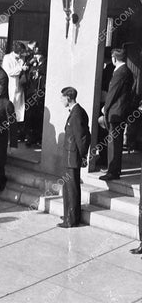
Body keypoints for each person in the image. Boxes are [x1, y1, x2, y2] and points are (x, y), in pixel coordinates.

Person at [99, 48, 134, 181]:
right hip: (121, 110)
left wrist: (105, 108)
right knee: (116, 141)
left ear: (114, 58)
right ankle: (114, 170)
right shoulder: (127, 71)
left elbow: (112, 92)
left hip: (116, 111)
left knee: (113, 142)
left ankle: (112, 171)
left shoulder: (120, 72)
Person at [58, 87, 90, 228]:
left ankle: (70, 219)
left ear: (68, 98)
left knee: (71, 189)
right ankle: (69, 214)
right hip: (70, 156)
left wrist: (82, 156)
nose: (61, 100)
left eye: (62, 97)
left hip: (73, 157)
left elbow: (82, 138)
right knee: (69, 188)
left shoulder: (77, 114)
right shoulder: (76, 112)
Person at [2, 41, 28, 141]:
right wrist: (21, 68)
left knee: (19, 110)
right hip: (11, 86)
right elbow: (8, 71)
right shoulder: (7, 58)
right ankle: (8, 133)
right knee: (10, 109)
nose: (21, 55)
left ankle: (16, 133)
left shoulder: (22, 58)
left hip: (20, 87)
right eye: (20, 53)